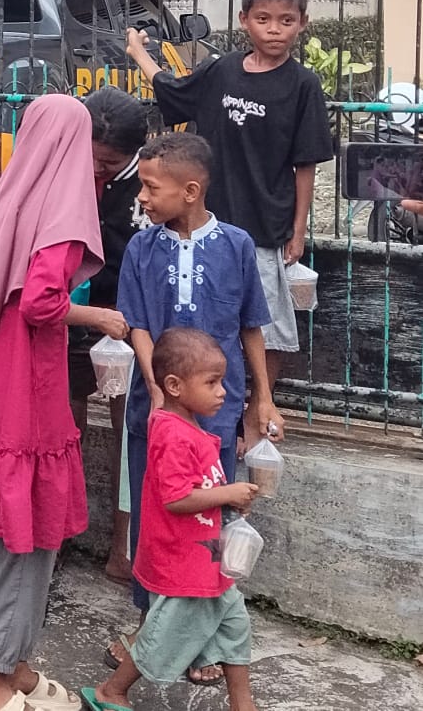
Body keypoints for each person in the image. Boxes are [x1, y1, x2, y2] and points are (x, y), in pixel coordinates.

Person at [107, 131, 284, 686]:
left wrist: (262, 398)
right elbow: (136, 322)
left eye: (149, 187)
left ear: (189, 190)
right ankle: (149, 624)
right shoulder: (142, 247)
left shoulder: (235, 245)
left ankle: (199, 636)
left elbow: (251, 325)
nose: (140, 196)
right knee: (154, 516)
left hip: (218, 412)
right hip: (153, 411)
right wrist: (156, 387)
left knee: (208, 521)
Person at [0, 94, 111, 711]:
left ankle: (12, 663)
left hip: (3, 378)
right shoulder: (61, 214)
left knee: (20, 530)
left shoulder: (9, 203)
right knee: (30, 538)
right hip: (33, 388)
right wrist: (99, 314)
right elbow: (44, 302)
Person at [127, 0, 333, 412]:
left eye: (285, 20)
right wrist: (137, 52)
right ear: (244, 19)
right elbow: (171, 88)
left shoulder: (303, 86)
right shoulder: (220, 71)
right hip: (206, 225)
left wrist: (297, 231)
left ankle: (256, 408)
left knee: (266, 326)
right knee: (203, 322)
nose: (274, 30)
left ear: (302, 22)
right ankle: (199, 408)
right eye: (263, 18)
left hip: (263, 227)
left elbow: (306, 164)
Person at [81, 328, 262, 711]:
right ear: (175, 386)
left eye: (222, 381)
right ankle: (111, 691)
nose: (223, 392)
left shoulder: (192, 428)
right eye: (212, 382)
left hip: (208, 558)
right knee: (162, 633)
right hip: (182, 561)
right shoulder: (171, 433)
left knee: (235, 626)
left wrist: (230, 503)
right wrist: (228, 494)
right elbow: (176, 498)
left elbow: (200, 487)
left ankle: (242, 704)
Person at [73, 87, 152, 584]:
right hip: (75, 318)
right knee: (66, 428)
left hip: (129, 325)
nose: (97, 168)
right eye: (91, 156)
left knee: (131, 431)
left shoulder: (149, 185)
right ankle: (59, 534)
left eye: (108, 161)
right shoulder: (70, 170)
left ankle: (123, 548)